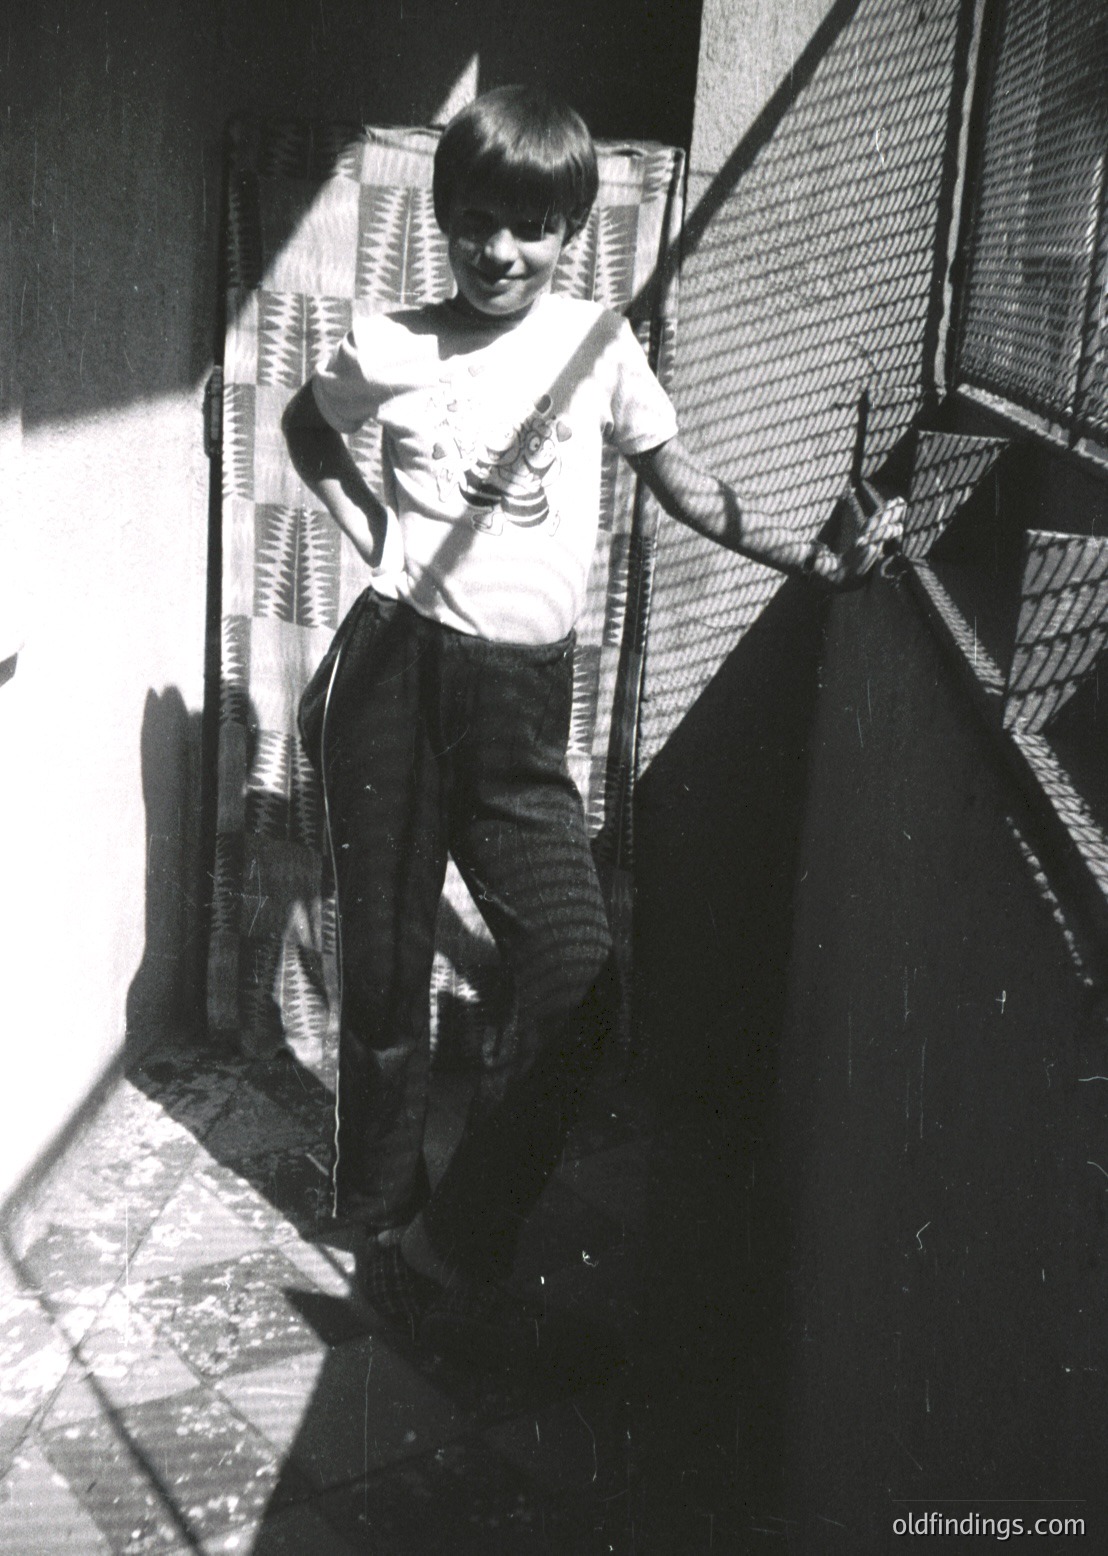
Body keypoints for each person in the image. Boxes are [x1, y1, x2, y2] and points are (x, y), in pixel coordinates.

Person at [283, 84, 903, 1372]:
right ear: (442, 221)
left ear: (571, 228)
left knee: (578, 980)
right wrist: (374, 538)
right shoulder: (393, 343)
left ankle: (447, 1250)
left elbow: (683, 486)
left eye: (529, 227)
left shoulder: (599, 346)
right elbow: (303, 428)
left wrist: (816, 557)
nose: (497, 252)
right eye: (472, 224)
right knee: (389, 979)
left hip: (519, 707)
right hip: (389, 680)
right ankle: (383, 1225)